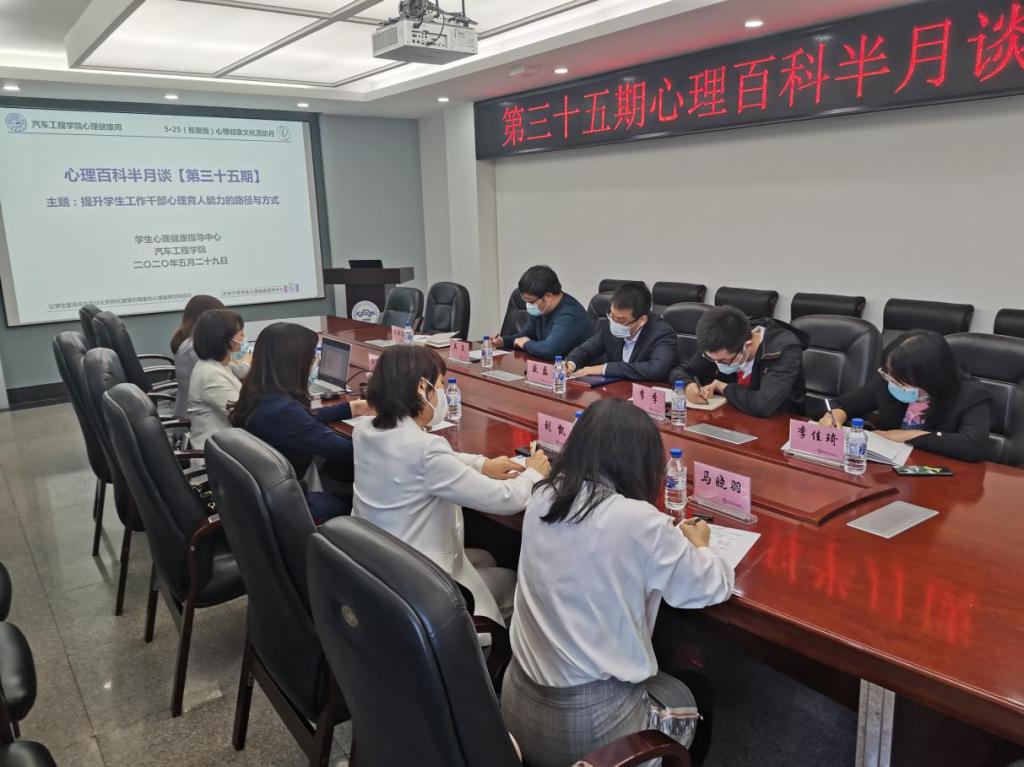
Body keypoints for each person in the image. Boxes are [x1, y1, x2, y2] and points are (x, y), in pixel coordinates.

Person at [501, 399, 733, 767]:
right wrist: (702, 545)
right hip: (589, 732)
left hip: (515, 706)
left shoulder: (543, 495)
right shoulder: (639, 521)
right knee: (695, 692)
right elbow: (709, 586)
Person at [352, 345, 550, 625]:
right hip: (419, 585)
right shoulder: (425, 450)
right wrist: (533, 474)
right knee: (509, 580)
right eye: (441, 384)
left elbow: (425, 460)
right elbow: (505, 499)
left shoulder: (365, 429)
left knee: (485, 558)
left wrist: (482, 464)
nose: (443, 392)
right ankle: (487, 645)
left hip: (379, 563)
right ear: (422, 387)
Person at [229, 322, 372, 522]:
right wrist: (379, 428)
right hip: (290, 510)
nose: (314, 361)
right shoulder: (284, 413)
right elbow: (349, 451)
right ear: (294, 363)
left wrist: (351, 408)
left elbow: (301, 420)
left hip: (264, 499)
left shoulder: (259, 393)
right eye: (312, 356)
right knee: (363, 503)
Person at [820, 330, 992, 462]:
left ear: (928, 376)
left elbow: (973, 446)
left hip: (940, 478)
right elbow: (842, 404)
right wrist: (834, 416)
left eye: (902, 378)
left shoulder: (970, 394)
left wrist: (909, 435)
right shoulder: (889, 382)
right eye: (889, 372)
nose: (892, 381)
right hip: (890, 469)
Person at [668, 306, 809, 417]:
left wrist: (722, 387)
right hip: (732, 417)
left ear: (747, 346)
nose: (718, 364)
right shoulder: (718, 342)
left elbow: (763, 405)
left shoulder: (783, 350)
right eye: (713, 359)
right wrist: (688, 386)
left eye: (724, 360)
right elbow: (680, 371)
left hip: (778, 424)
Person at [565, 281, 677, 381]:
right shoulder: (613, 323)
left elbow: (655, 370)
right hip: (617, 388)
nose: (615, 323)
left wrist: (603, 369)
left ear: (642, 320)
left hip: (648, 391)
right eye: (612, 316)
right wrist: (572, 363)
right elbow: (587, 349)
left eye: (622, 320)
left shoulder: (662, 333)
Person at [171, 295, 249, 418]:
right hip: (193, 417)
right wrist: (248, 361)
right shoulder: (199, 354)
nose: (243, 337)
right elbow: (238, 414)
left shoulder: (192, 343)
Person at [494, 265, 590, 360]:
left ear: (548, 296)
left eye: (531, 302)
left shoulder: (570, 314)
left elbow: (549, 350)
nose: (528, 305)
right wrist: (503, 341)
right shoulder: (541, 309)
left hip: (573, 368)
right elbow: (527, 335)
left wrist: (526, 344)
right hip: (545, 365)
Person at [187, 309, 249, 450]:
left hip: (228, 446)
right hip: (218, 454)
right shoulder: (211, 375)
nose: (243, 337)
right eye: (240, 333)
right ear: (224, 338)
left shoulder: (217, 365)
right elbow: (241, 416)